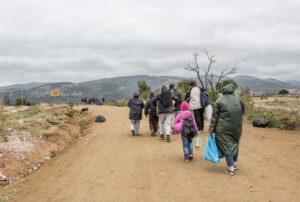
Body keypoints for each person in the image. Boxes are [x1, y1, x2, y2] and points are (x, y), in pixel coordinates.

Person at [208, 83, 245, 175]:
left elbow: (214, 116)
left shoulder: (219, 100)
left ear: (224, 90)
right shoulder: (238, 100)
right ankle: (235, 164)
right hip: (237, 127)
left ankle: (231, 168)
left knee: (226, 145)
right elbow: (242, 111)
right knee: (235, 143)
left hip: (223, 128)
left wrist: (211, 129)